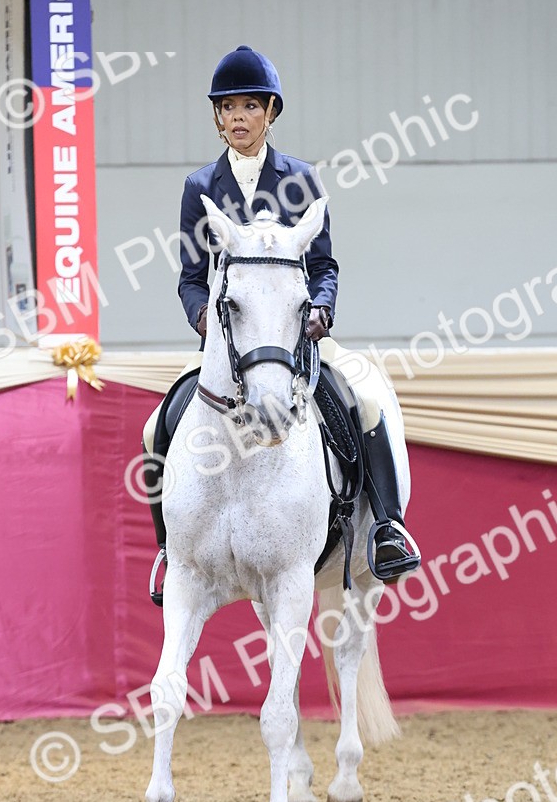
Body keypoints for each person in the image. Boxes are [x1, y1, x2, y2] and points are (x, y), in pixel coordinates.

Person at [143, 45, 420, 582]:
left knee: (364, 400)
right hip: (230, 344)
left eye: (249, 106)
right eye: (227, 108)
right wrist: (204, 319)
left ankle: (388, 526)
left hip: (297, 336)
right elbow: (191, 277)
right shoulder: (200, 188)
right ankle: (168, 549)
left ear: (270, 112)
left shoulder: (301, 178)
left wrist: (321, 309)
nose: (237, 118)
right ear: (217, 117)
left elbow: (324, 265)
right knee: (156, 427)